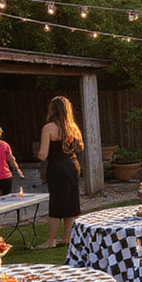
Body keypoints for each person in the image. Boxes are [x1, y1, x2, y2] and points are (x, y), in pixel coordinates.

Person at [35, 95, 83, 249]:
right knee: (70, 200)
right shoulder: (73, 127)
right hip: (72, 164)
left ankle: (51, 240)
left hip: (57, 167)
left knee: (56, 202)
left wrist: (38, 154)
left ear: (52, 110)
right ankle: (67, 238)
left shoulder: (48, 128)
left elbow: (43, 155)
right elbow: (80, 147)